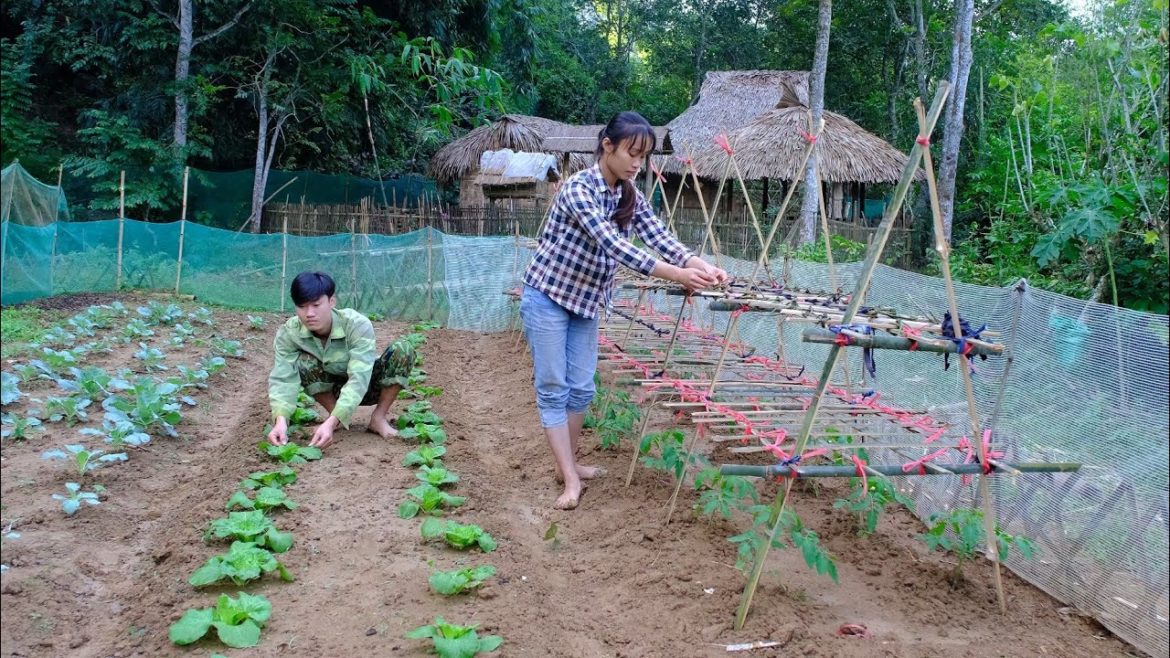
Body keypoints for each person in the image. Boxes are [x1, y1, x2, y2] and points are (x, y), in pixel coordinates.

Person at [521, 111, 728, 510]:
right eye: (632, 153)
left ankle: (571, 463)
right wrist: (676, 275)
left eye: (643, 156)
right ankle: (568, 479)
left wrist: (697, 264)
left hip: (584, 302)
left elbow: (657, 235)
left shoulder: (629, 193)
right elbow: (615, 246)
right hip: (547, 296)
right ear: (608, 146)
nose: (637, 163)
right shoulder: (579, 189)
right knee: (553, 388)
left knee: (581, 388)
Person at [266, 271, 416, 449]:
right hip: (332, 388)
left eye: (316, 305)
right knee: (303, 361)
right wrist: (281, 420)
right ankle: (334, 418)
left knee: (403, 349)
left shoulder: (356, 324)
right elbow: (283, 378)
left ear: (331, 302)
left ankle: (378, 418)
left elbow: (359, 376)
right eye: (302, 306)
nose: (309, 313)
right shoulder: (289, 333)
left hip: (369, 383)